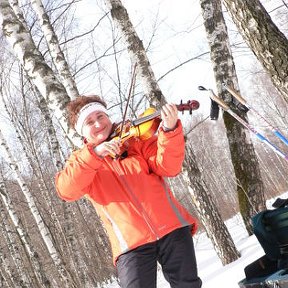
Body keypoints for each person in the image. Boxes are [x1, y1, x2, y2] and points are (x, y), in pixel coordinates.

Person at [55, 95, 202, 288]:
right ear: (82, 131)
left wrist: (169, 130)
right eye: (90, 122)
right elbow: (66, 190)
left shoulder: (135, 142)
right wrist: (96, 155)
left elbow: (169, 167)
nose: (98, 124)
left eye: (100, 116)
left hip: (172, 228)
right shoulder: (81, 161)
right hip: (130, 245)